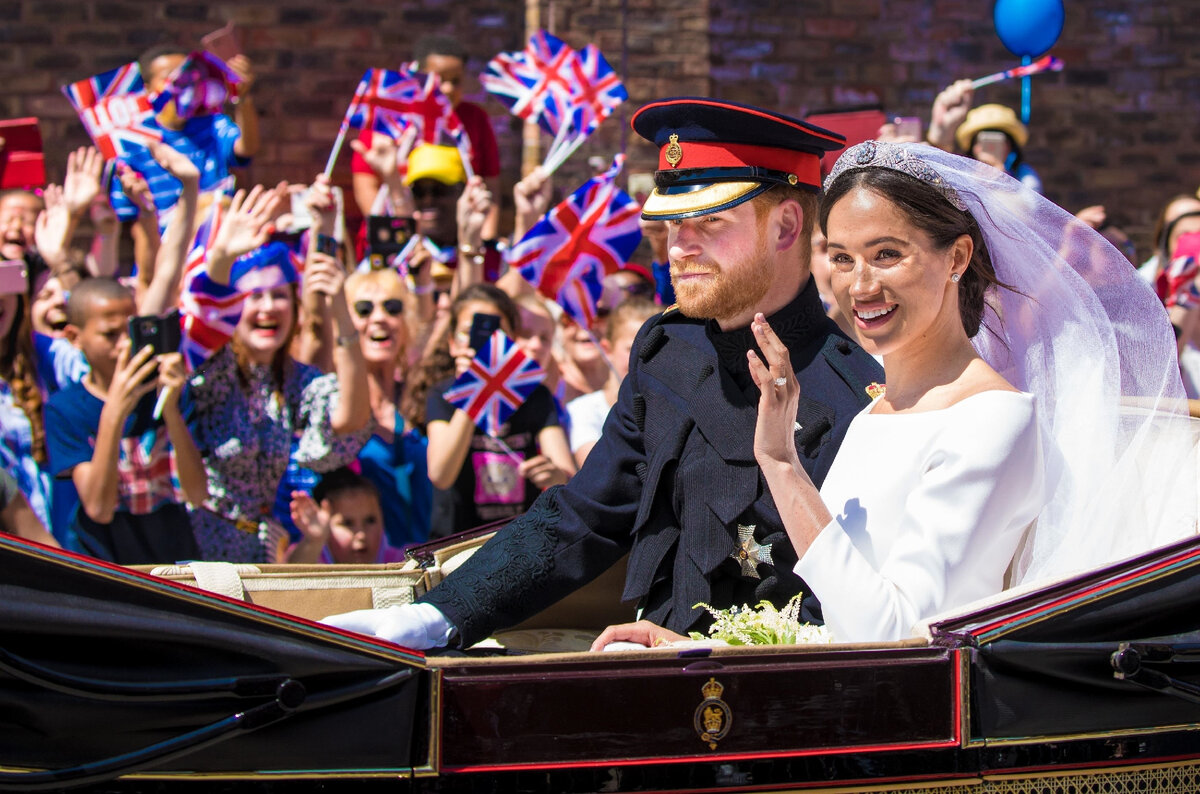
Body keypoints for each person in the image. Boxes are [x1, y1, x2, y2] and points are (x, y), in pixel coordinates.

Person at [324, 98, 883, 650]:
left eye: (710, 221)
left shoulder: (859, 396)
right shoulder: (665, 351)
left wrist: (701, 653)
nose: (679, 245)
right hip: (631, 677)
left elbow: (845, 616)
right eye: (670, 222)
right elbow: (585, 516)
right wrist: (440, 616)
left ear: (786, 226)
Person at [595, 141, 1197, 648]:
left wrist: (781, 465)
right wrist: (705, 648)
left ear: (956, 255)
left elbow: (892, 635)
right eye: (841, 257)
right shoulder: (880, 405)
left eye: (887, 254)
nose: (859, 285)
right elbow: (832, 616)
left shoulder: (991, 418)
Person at [186, 186, 371, 562]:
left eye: (279, 295)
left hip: (265, 552)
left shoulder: (291, 378)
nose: (268, 307)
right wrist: (221, 259)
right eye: (253, 295)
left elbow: (349, 418)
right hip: (201, 548)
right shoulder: (213, 367)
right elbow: (205, 320)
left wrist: (339, 305)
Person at [46, 278, 206, 564]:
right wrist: (114, 414)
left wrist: (169, 408)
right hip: (106, 568)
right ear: (74, 337)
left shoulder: (171, 391)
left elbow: (196, 493)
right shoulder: (64, 410)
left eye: (130, 331)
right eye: (110, 334)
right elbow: (99, 507)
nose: (125, 346)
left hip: (173, 564)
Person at [420, 283, 575, 539]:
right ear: (452, 344)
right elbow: (440, 474)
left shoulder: (535, 395)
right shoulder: (442, 395)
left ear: (510, 341)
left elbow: (566, 474)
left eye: (496, 332)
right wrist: (472, 392)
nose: (480, 342)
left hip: (519, 543)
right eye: (468, 332)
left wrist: (555, 474)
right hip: (456, 546)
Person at [350, 34, 502, 237]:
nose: (447, 88)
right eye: (439, 79)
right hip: (394, 237)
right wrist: (389, 239)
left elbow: (490, 187)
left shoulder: (474, 119)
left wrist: (484, 242)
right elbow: (366, 188)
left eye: (455, 81)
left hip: (455, 243)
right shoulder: (388, 118)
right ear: (419, 77)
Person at [344, 267, 433, 548]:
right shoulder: (332, 400)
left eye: (392, 308)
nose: (379, 318)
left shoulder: (420, 397)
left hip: (431, 563)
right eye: (364, 309)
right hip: (366, 570)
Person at [567, 295, 659, 467]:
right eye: (632, 349)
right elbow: (596, 470)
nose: (644, 358)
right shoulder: (584, 410)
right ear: (607, 349)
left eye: (656, 349)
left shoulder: (672, 409)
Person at [287, 467, 405, 564]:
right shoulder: (312, 556)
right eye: (348, 523)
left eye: (370, 520)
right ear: (327, 528)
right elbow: (293, 574)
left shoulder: (400, 562)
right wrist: (314, 540)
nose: (361, 534)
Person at [953, 103, 1043, 194]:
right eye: (984, 141)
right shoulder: (961, 174)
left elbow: (1031, 206)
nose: (990, 147)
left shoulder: (1025, 175)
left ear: (1009, 146)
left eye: (997, 141)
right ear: (974, 147)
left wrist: (1005, 184)